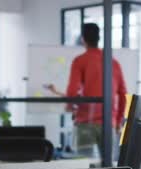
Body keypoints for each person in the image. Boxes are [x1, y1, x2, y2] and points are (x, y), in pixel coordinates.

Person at [47, 23, 128, 158]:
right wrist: (118, 120)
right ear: (99, 38)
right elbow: (123, 95)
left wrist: (69, 107)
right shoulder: (113, 63)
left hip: (86, 122)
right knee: (110, 168)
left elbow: (73, 91)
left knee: (85, 166)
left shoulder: (80, 61)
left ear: (83, 39)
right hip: (109, 123)